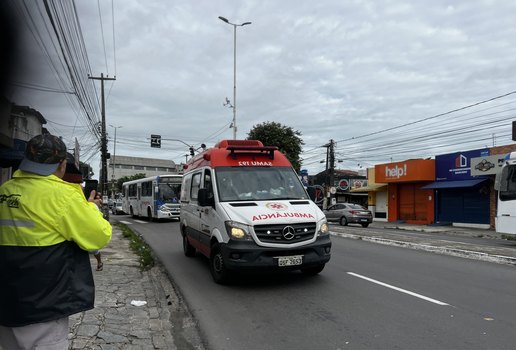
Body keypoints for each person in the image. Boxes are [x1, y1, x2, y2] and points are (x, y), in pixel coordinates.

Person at [0, 134, 112, 350]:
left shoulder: (4, 191)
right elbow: (98, 236)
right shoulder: (63, 196)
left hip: (6, 301)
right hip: (43, 304)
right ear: (62, 164)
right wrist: (91, 207)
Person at [62, 152, 104, 272]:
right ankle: (100, 262)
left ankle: (99, 262)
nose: (80, 185)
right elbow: (101, 232)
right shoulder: (70, 195)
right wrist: (93, 206)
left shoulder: (8, 188)